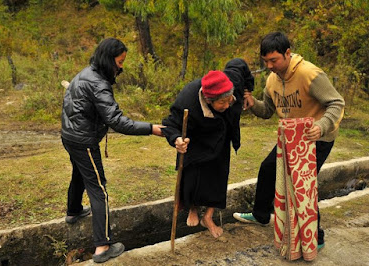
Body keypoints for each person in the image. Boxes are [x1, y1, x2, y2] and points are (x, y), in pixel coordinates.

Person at [233, 32, 345, 249]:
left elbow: (336, 103)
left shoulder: (310, 74)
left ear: (287, 53)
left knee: (302, 183)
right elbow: (266, 111)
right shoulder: (272, 80)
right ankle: (261, 215)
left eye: (273, 60)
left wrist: (320, 127)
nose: (269, 65)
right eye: (265, 61)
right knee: (267, 169)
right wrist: (251, 102)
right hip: (291, 137)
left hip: (317, 137)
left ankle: (315, 237)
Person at [61, 38, 164, 263]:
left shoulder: (85, 73)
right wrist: (151, 129)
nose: (121, 67)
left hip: (69, 136)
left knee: (81, 173)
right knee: (99, 189)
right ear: (109, 60)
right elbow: (117, 121)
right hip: (83, 140)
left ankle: (74, 211)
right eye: (119, 62)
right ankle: (102, 246)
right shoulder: (98, 83)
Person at [162, 59, 254, 238]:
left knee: (219, 174)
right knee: (193, 173)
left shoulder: (231, 81)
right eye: (223, 103)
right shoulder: (187, 100)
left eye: (230, 101)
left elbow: (239, 64)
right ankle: (193, 209)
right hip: (197, 135)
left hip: (223, 131)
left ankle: (209, 217)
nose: (228, 106)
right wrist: (176, 139)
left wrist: (247, 91)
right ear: (208, 99)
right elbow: (170, 125)